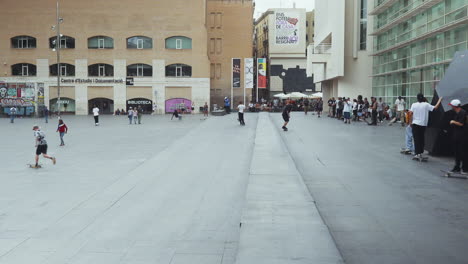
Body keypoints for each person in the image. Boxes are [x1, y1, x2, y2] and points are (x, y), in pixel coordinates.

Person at [409, 93, 442, 160]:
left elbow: (410, 113)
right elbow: (435, 107)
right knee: (421, 139)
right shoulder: (426, 105)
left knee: (416, 139)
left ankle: (417, 154)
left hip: (415, 124)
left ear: (417, 98)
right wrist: (440, 100)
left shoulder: (414, 104)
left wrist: (410, 122)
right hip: (423, 125)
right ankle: (420, 153)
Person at [448, 99, 467, 174]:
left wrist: (453, 122)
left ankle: (465, 168)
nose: (451, 107)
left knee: (463, 152)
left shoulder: (463, 112)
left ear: (454, 106)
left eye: (451, 106)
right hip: (457, 136)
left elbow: (461, 124)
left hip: (462, 136)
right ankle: (457, 167)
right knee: (457, 152)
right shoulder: (456, 113)